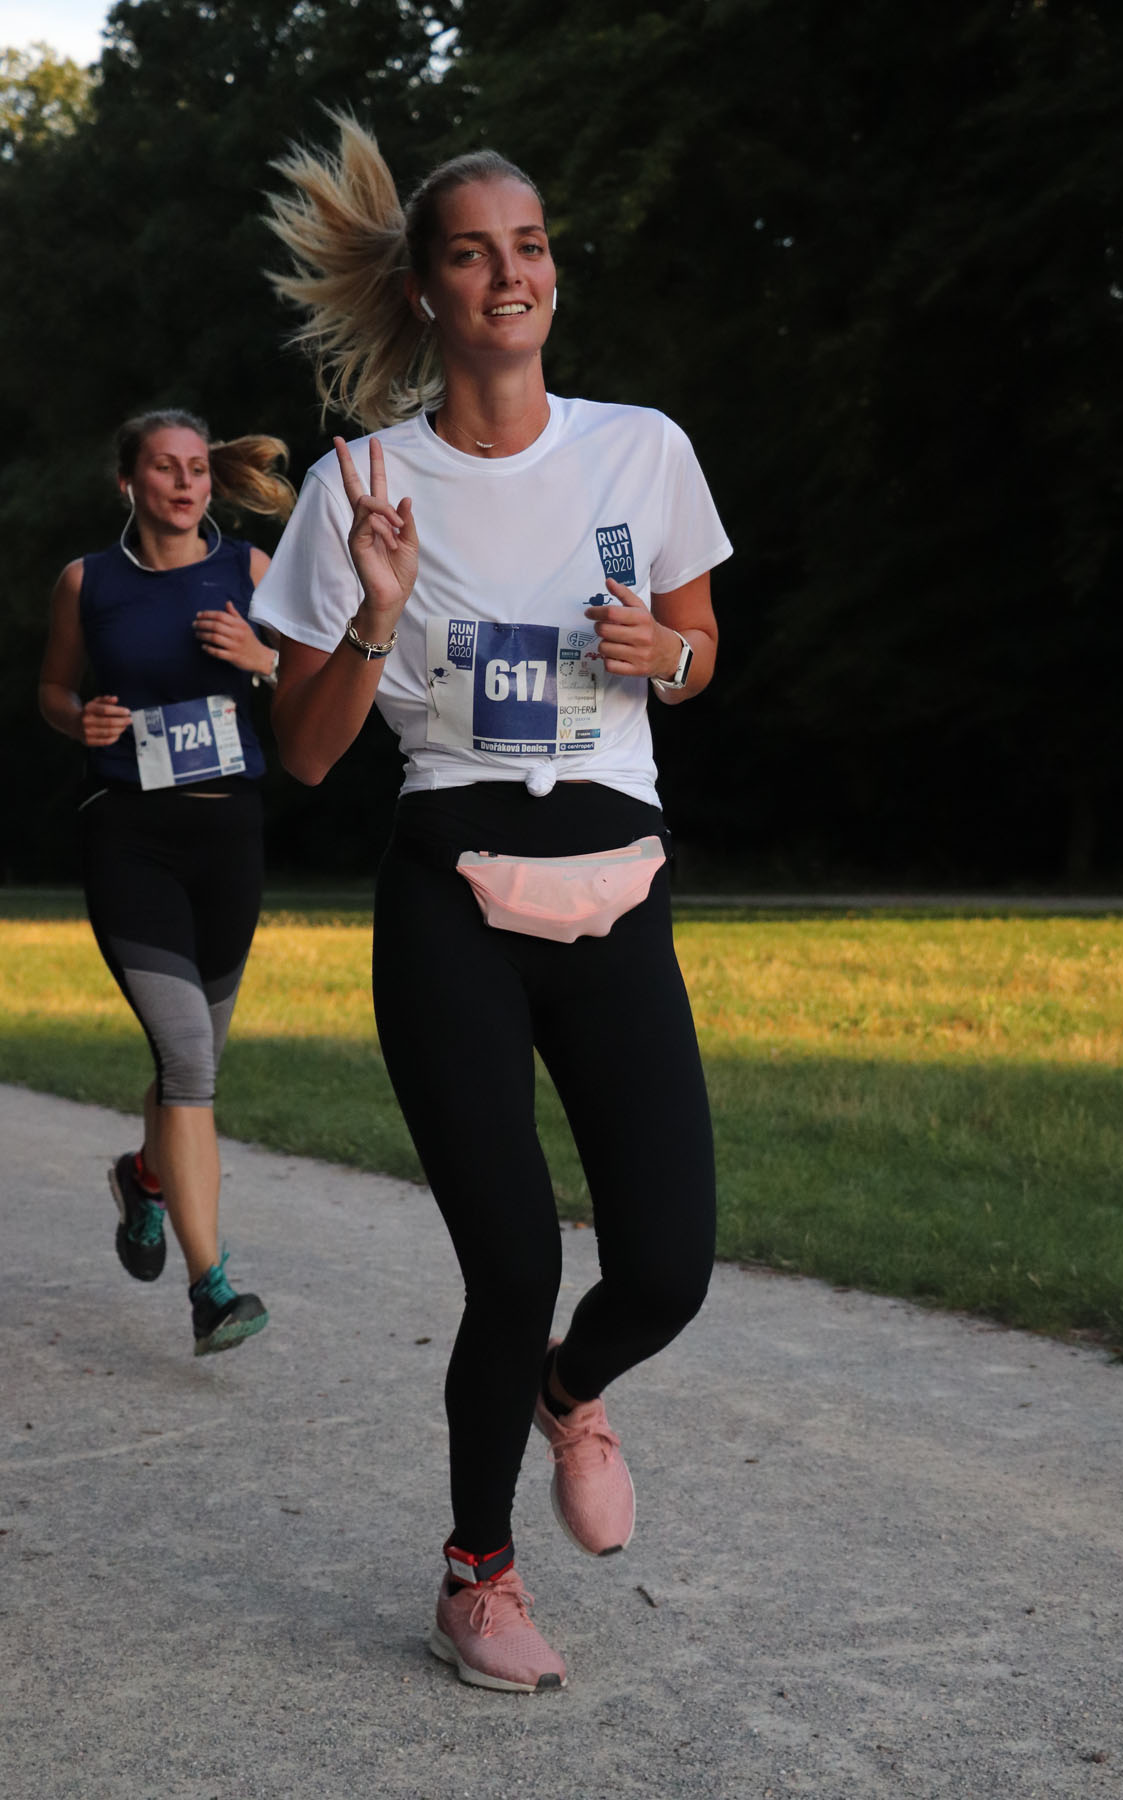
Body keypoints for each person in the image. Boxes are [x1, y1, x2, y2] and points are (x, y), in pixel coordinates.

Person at [254, 119, 732, 1691]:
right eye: (473, 252)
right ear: (427, 289)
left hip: (618, 885)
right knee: (513, 1260)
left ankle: (570, 1393)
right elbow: (305, 752)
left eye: (529, 245)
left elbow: (698, 648)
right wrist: (376, 614)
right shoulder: (359, 485)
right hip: (449, 895)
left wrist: (669, 655)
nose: (510, 273)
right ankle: (478, 1576)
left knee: (667, 1265)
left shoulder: (641, 450)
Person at [38, 409, 295, 1356]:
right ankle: (211, 1290)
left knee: (197, 1064)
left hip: (228, 840)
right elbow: (53, 689)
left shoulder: (250, 570)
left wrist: (261, 660)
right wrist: (81, 721)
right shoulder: (87, 582)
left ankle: (145, 1178)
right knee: (187, 1058)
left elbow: (314, 680)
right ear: (129, 483)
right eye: (165, 468)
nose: (186, 483)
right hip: (131, 840)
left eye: (197, 468)